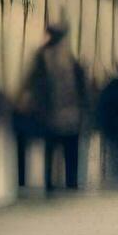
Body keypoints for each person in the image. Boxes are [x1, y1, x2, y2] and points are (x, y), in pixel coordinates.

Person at [22, 22, 89, 192]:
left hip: (53, 111)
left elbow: (33, 83)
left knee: (53, 148)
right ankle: (70, 182)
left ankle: (52, 182)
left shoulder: (43, 57)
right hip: (66, 111)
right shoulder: (69, 59)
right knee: (69, 148)